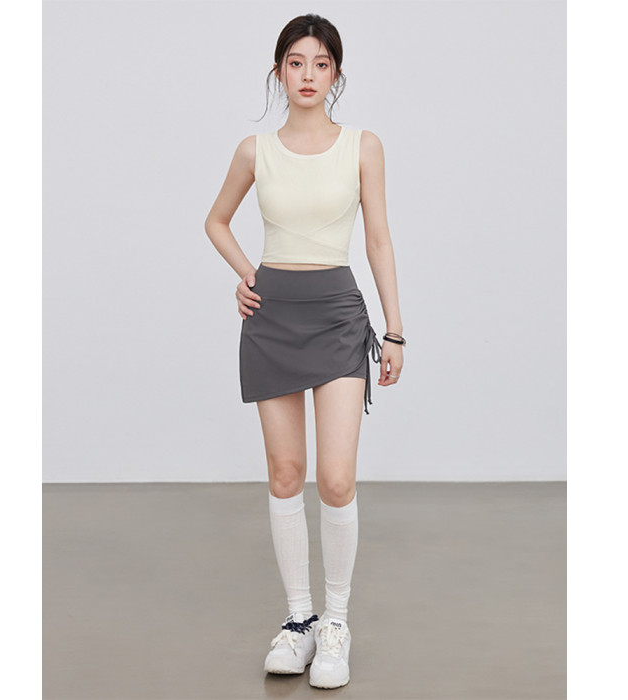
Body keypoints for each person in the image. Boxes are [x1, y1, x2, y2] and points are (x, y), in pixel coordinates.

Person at [204, 13, 405, 690]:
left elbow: (378, 239)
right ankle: (299, 621)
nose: (308, 75)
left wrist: (395, 328)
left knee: (336, 478)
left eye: (321, 64)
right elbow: (216, 220)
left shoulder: (363, 147)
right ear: (278, 71)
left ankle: (336, 624)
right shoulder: (254, 150)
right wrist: (246, 274)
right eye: (296, 63)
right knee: (286, 472)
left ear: (336, 74)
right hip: (273, 320)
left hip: (338, 317)